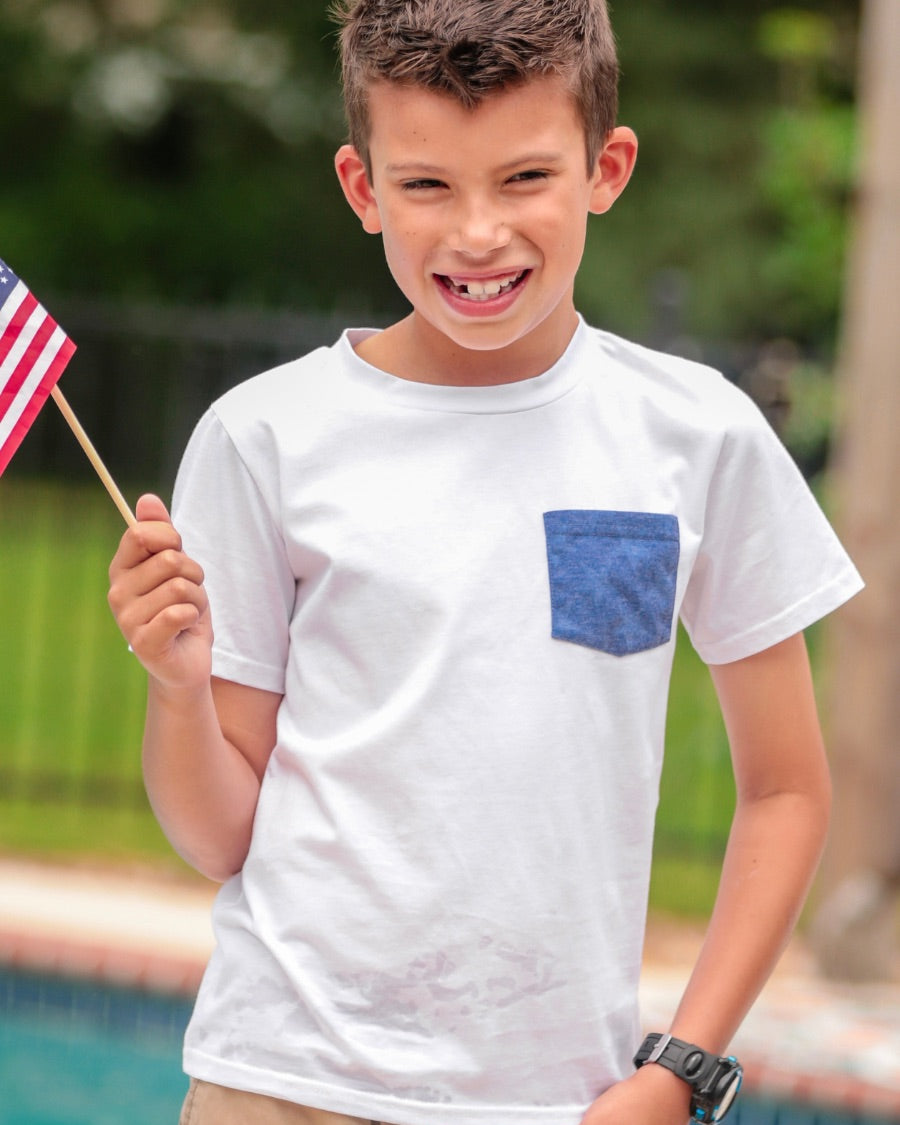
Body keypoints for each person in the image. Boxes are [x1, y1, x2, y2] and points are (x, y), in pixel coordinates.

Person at [107, 2, 863, 1124]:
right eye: (426, 186)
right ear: (364, 191)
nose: (477, 234)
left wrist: (681, 1069)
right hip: (282, 1082)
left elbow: (790, 790)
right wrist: (177, 691)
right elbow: (220, 836)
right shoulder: (263, 437)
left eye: (523, 180)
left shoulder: (697, 436)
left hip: (557, 1101)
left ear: (606, 168)